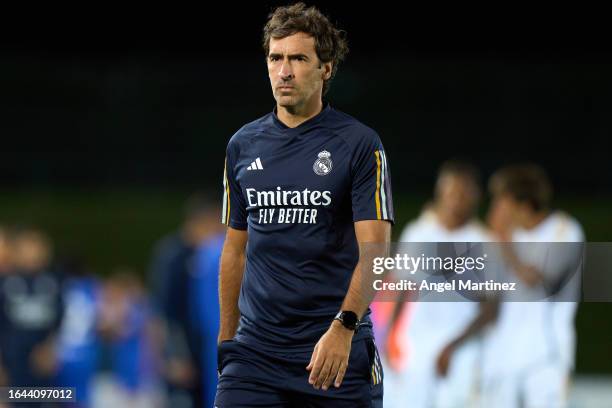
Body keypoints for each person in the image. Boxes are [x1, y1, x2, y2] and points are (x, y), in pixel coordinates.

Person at [215, 3, 393, 407]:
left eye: (298, 58)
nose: (284, 70)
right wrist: (227, 339)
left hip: (332, 351)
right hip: (255, 356)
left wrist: (344, 327)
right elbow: (235, 249)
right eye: (275, 58)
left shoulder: (360, 144)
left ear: (326, 68)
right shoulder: (242, 145)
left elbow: (377, 252)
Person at [383, 160, 493, 408]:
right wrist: (389, 335)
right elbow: (401, 288)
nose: (457, 199)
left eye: (464, 193)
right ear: (440, 191)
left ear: (476, 196)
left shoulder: (484, 242)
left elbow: (490, 309)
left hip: (464, 349)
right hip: (417, 345)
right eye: (452, 191)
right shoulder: (419, 233)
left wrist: (453, 347)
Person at [479, 164, 584, 408]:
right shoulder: (504, 237)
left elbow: (537, 279)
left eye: (501, 200)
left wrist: (503, 240)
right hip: (502, 356)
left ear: (522, 205)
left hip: (546, 356)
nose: (495, 207)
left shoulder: (564, 230)